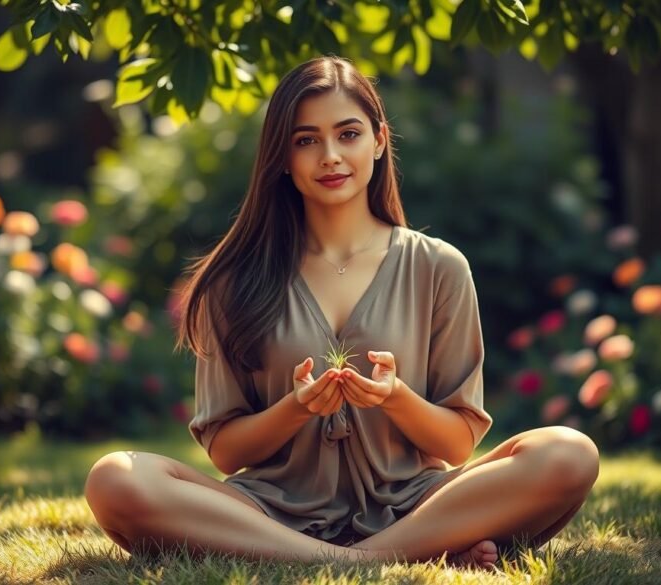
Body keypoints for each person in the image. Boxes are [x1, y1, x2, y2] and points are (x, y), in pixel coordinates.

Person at [84, 55, 599, 570]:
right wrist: (297, 408)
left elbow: (457, 443)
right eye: (306, 140)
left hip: (417, 505)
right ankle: (381, 557)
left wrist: (396, 398)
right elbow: (225, 452)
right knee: (115, 478)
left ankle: (373, 551)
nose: (330, 156)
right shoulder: (234, 279)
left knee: (569, 452)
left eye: (347, 134)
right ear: (282, 157)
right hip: (266, 513)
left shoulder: (438, 266)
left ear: (378, 140)